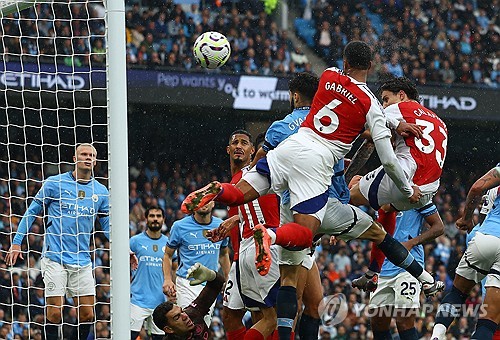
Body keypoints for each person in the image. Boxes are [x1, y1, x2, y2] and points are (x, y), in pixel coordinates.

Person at [182, 41, 443, 339]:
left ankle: (217, 191)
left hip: (289, 152)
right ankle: (271, 235)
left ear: (343, 61)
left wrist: (391, 124)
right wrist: (403, 179)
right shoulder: (371, 104)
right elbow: (384, 154)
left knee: (242, 193)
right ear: (370, 66)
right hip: (315, 171)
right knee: (307, 236)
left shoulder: (329, 76)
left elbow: (345, 113)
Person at [349, 76, 448, 291]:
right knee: (386, 209)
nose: (384, 104)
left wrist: (393, 121)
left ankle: (313, 236)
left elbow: (369, 117)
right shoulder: (440, 122)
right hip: (428, 188)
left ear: (401, 95)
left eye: (386, 99)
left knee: (348, 194)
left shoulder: (401, 109)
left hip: (405, 176)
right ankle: (374, 273)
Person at [5, 144, 110, 340]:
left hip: (82, 259)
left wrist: (123, 248)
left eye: (92, 155)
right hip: (55, 257)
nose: (88, 158)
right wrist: (17, 242)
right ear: (74, 158)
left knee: (87, 314)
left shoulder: (101, 191)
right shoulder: (55, 183)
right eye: (84, 154)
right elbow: (31, 212)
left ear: (95, 161)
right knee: (54, 313)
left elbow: (106, 225)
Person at [212, 130, 281, 340]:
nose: (239, 146)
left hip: (261, 247)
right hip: (240, 255)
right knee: (230, 315)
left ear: (252, 150)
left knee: (267, 316)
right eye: (235, 143)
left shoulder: (255, 174)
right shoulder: (234, 181)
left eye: (244, 143)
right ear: (228, 150)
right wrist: (235, 219)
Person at [431, 164, 500, 340]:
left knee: (457, 293)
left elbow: (477, 187)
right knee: (489, 322)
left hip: (487, 236)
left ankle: (437, 335)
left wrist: (466, 217)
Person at [368, 203, 444, 340]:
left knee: (403, 322)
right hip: (382, 268)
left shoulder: (416, 196)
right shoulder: (379, 193)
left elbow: (438, 227)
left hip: (409, 268)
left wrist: (412, 242)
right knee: (378, 324)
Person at [162, 201, 230, 327]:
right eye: (200, 200)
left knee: (202, 326)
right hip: (187, 283)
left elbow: (223, 254)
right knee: (189, 323)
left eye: (208, 199)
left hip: (211, 286)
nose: (204, 203)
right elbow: (167, 255)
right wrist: (167, 279)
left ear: (213, 203)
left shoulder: (221, 225)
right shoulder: (179, 226)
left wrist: (228, 279)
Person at [130, 206, 177, 340]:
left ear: (163, 219)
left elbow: (174, 268)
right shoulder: (135, 241)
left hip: (161, 302)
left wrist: (174, 289)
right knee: (130, 336)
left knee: (159, 338)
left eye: (158, 216)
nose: (155, 219)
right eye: (152, 216)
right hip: (138, 300)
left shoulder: (168, 243)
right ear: (146, 219)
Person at [153, 262, 225, 339]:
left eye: (182, 311)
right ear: (168, 329)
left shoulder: (193, 313)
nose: (185, 316)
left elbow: (217, 283)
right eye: (177, 317)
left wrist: (211, 275)